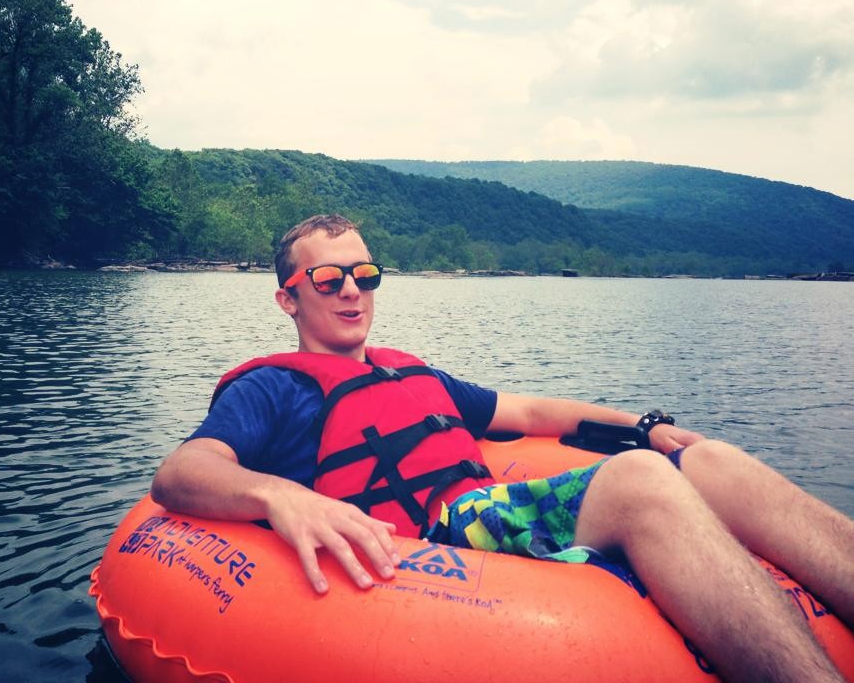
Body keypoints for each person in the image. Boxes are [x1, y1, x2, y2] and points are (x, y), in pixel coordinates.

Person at [152, 214, 853, 683]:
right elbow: (182, 472)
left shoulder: (411, 371)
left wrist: (640, 425)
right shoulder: (273, 388)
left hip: (492, 509)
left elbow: (526, 411)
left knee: (711, 460)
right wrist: (279, 494)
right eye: (327, 280)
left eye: (363, 275)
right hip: (438, 537)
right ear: (288, 299)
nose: (351, 292)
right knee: (639, 481)